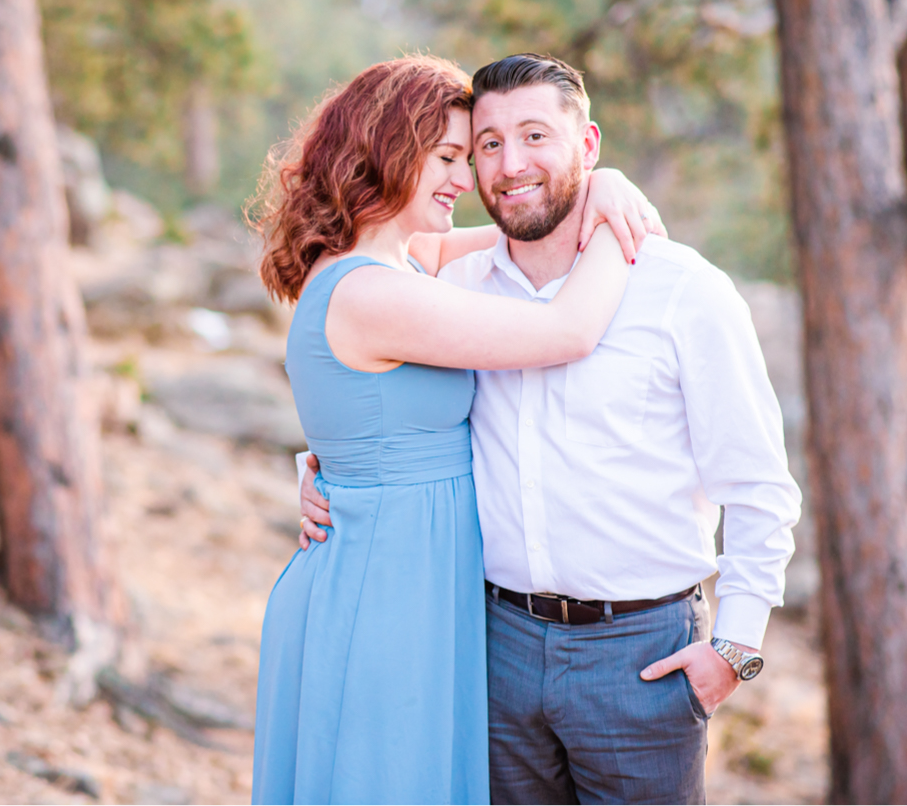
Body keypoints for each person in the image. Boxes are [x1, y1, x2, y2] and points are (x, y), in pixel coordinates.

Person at [299, 53, 802, 805]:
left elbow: (758, 482)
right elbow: (370, 395)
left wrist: (738, 647)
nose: (509, 164)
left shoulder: (683, 291)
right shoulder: (452, 286)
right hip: (490, 648)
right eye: (488, 146)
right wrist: (318, 468)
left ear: (589, 146)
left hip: (639, 658)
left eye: (536, 135)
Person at [250, 54, 662, 806]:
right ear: (386, 152)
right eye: (447, 158)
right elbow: (568, 331)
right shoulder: (371, 292)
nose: (465, 180)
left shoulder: (400, 262)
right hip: (383, 593)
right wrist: (617, 227)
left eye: (465, 158)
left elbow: (508, 237)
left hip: (408, 577)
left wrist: (598, 184)